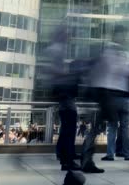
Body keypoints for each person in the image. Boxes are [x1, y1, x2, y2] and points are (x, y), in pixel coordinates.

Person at [80, 29, 129, 174]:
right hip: (108, 93)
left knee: (102, 127)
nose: (125, 38)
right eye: (123, 35)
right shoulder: (111, 51)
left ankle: (88, 157)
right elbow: (122, 71)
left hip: (114, 94)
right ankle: (87, 158)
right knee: (101, 127)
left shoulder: (119, 52)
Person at [42, 25, 81, 171]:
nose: (69, 37)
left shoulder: (56, 49)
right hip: (63, 92)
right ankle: (67, 160)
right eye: (67, 34)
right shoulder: (57, 49)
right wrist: (71, 76)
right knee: (69, 126)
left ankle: (64, 155)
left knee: (67, 125)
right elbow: (53, 70)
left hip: (61, 91)